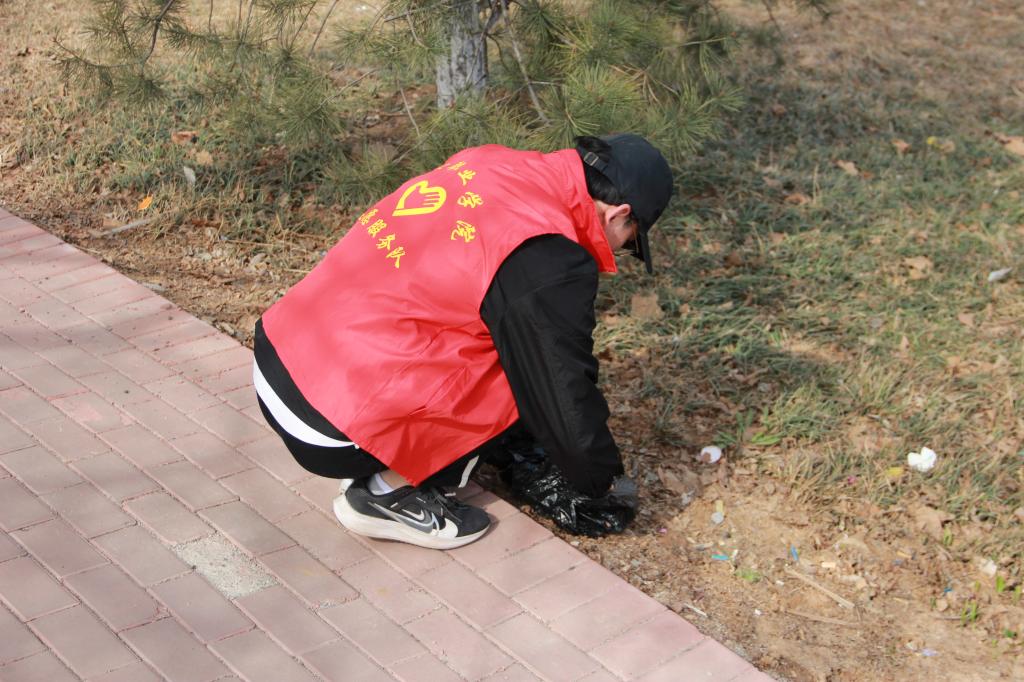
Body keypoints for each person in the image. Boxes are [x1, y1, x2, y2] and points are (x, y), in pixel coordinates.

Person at [253, 133, 673, 549]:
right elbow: (562, 388)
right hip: (328, 427)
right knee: (516, 369)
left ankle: (383, 448)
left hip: (281, 353)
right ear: (619, 214)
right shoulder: (548, 256)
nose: (619, 252)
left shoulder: (491, 159)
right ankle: (387, 493)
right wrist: (599, 481)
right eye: (629, 243)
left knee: (501, 337)